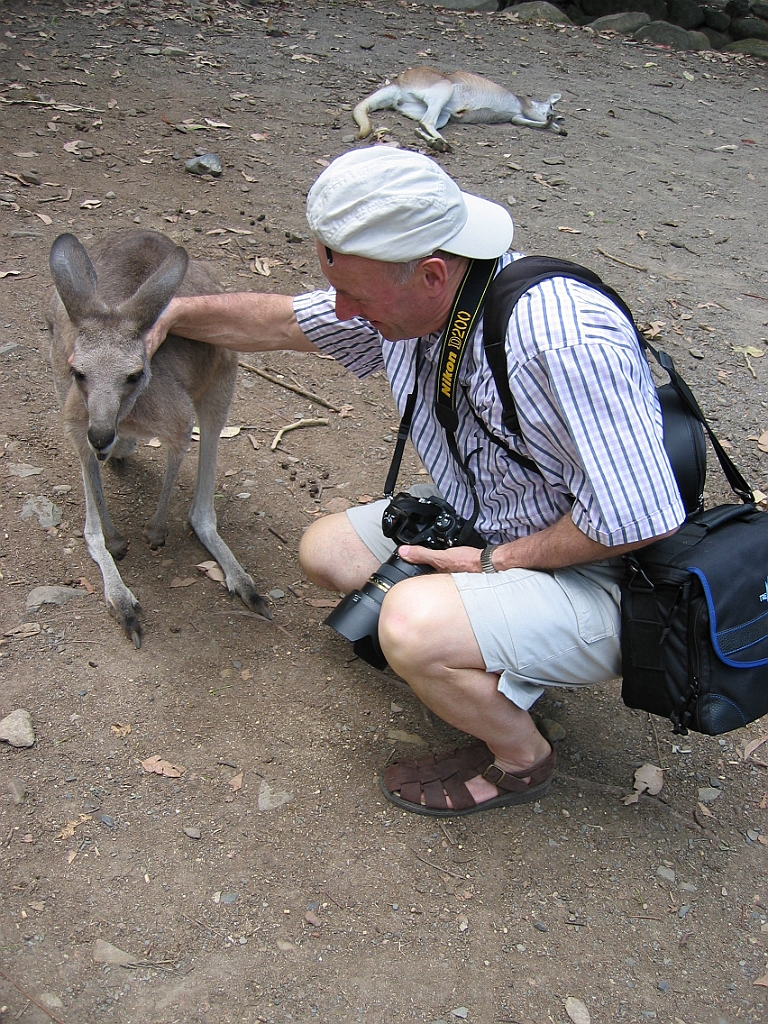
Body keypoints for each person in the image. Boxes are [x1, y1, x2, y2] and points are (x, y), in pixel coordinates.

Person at [146, 147, 685, 818]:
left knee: (406, 625)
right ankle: (490, 649)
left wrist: (491, 562)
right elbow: (285, 321)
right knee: (329, 552)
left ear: (432, 274)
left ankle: (522, 759)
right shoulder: (422, 301)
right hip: (497, 517)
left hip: (609, 575)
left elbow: (642, 518)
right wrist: (169, 315)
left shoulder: (563, 339)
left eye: (357, 297)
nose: (343, 312)